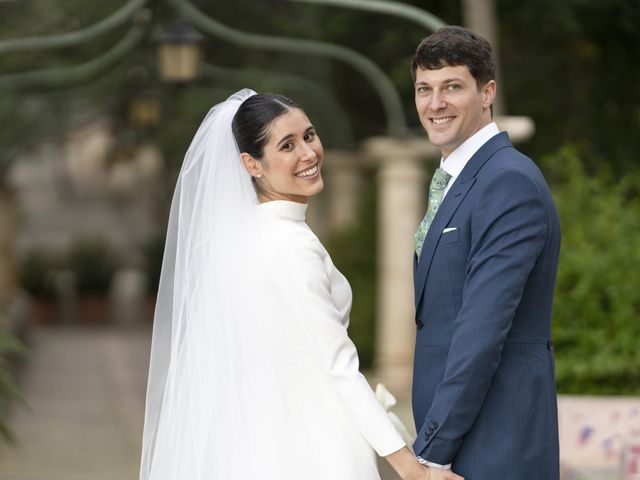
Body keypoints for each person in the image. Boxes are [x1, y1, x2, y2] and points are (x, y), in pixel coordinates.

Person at [139, 89, 462, 480]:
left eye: (309, 136)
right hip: (314, 449)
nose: (308, 154)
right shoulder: (291, 245)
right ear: (251, 165)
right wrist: (413, 470)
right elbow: (337, 366)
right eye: (287, 145)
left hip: (254, 445)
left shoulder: (234, 240)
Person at [409, 26, 561, 479]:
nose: (435, 104)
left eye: (452, 87)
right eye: (424, 89)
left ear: (487, 92)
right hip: (467, 439)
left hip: (497, 441)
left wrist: (433, 451)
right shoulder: (457, 180)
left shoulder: (506, 181)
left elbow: (481, 329)